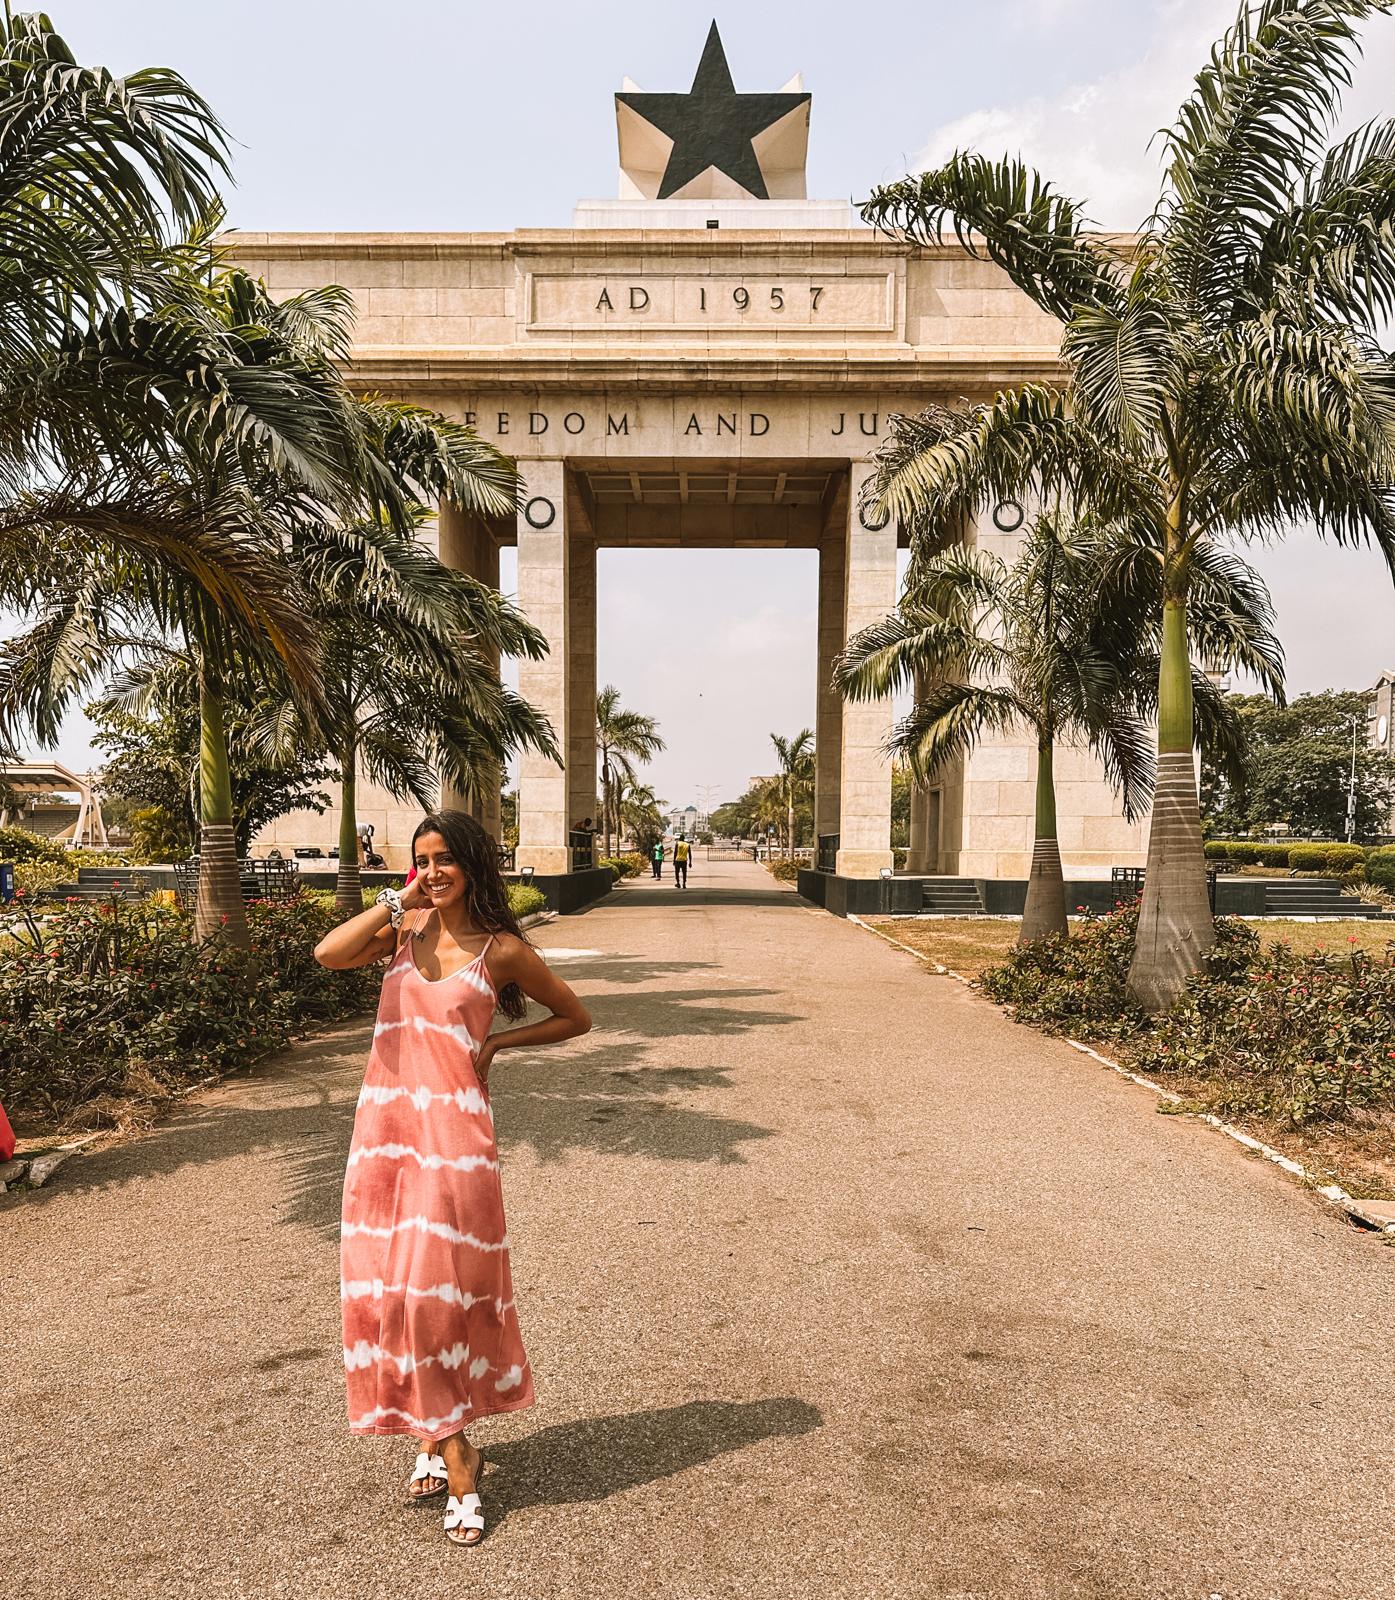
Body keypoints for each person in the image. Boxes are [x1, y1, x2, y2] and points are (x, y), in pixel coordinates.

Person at [314, 809, 590, 1548]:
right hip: (384, 1138)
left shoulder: (500, 951)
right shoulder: (399, 932)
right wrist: (394, 901)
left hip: (456, 1143)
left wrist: (498, 1042)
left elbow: (575, 1016)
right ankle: (433, 1432)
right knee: (391, 1291)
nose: (432, 871)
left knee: (440, 1298)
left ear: (472, 864)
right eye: (420, 858)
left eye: (444, 860)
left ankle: (459, 1456)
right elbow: (327, 954)